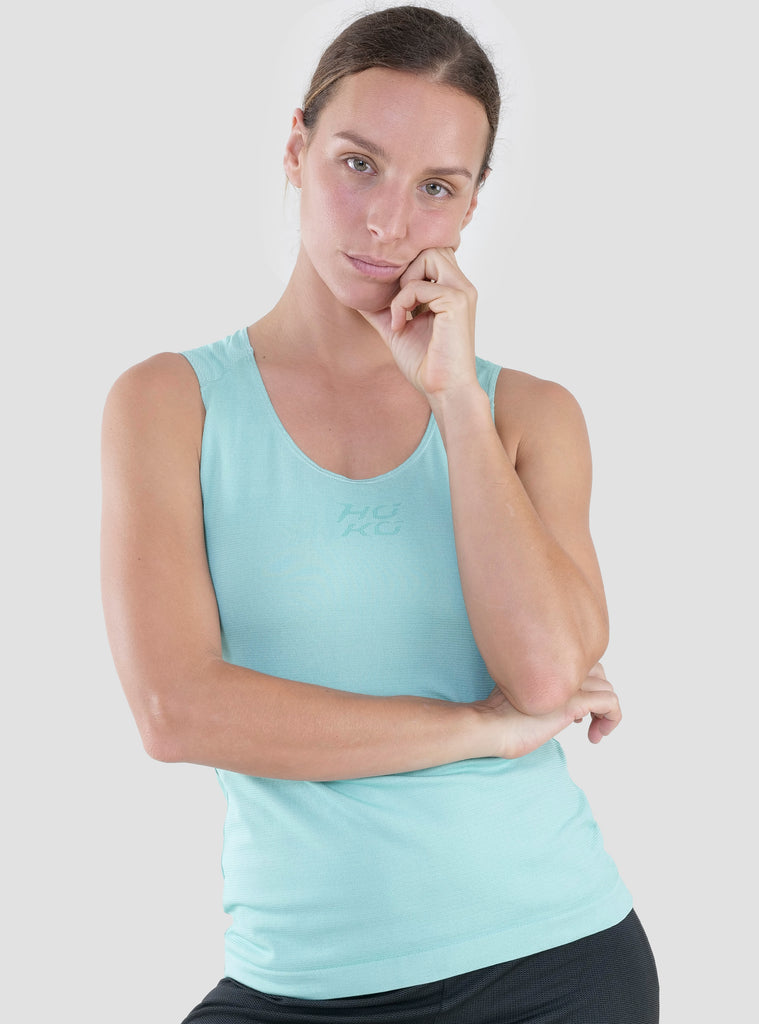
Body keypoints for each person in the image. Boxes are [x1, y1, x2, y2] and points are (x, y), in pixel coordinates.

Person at [101, 5, 659, 1022]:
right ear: (296, 149)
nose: (387, 224)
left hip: (552, 963)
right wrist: (479, 728)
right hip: (295, 981)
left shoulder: (528, 416)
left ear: (470, 207)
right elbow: (177, 713)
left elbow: (545, 676)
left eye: (435, 187)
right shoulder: (170, 406)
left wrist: (455, 402)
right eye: (358, 164)